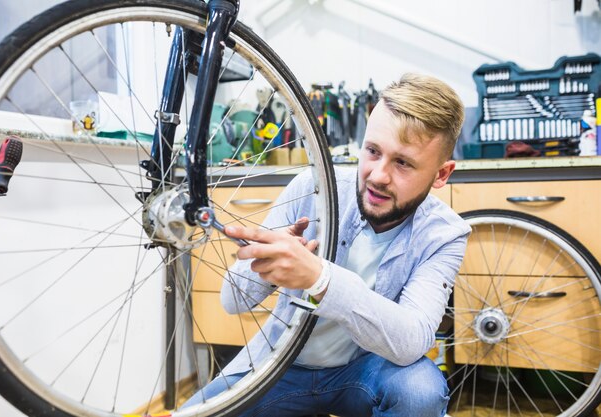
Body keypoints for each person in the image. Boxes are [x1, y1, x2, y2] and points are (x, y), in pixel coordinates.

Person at [183, 73, 471, 416]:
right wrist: (269, 268)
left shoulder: (445, 233)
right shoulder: (313, 187)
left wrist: (319, 279)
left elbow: (412, 340)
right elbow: (232, 301)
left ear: (442, 174)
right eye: (373, 151)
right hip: (281, 366)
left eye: (403, 163)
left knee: (418, 392)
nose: (378, 175)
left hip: (365, 372)